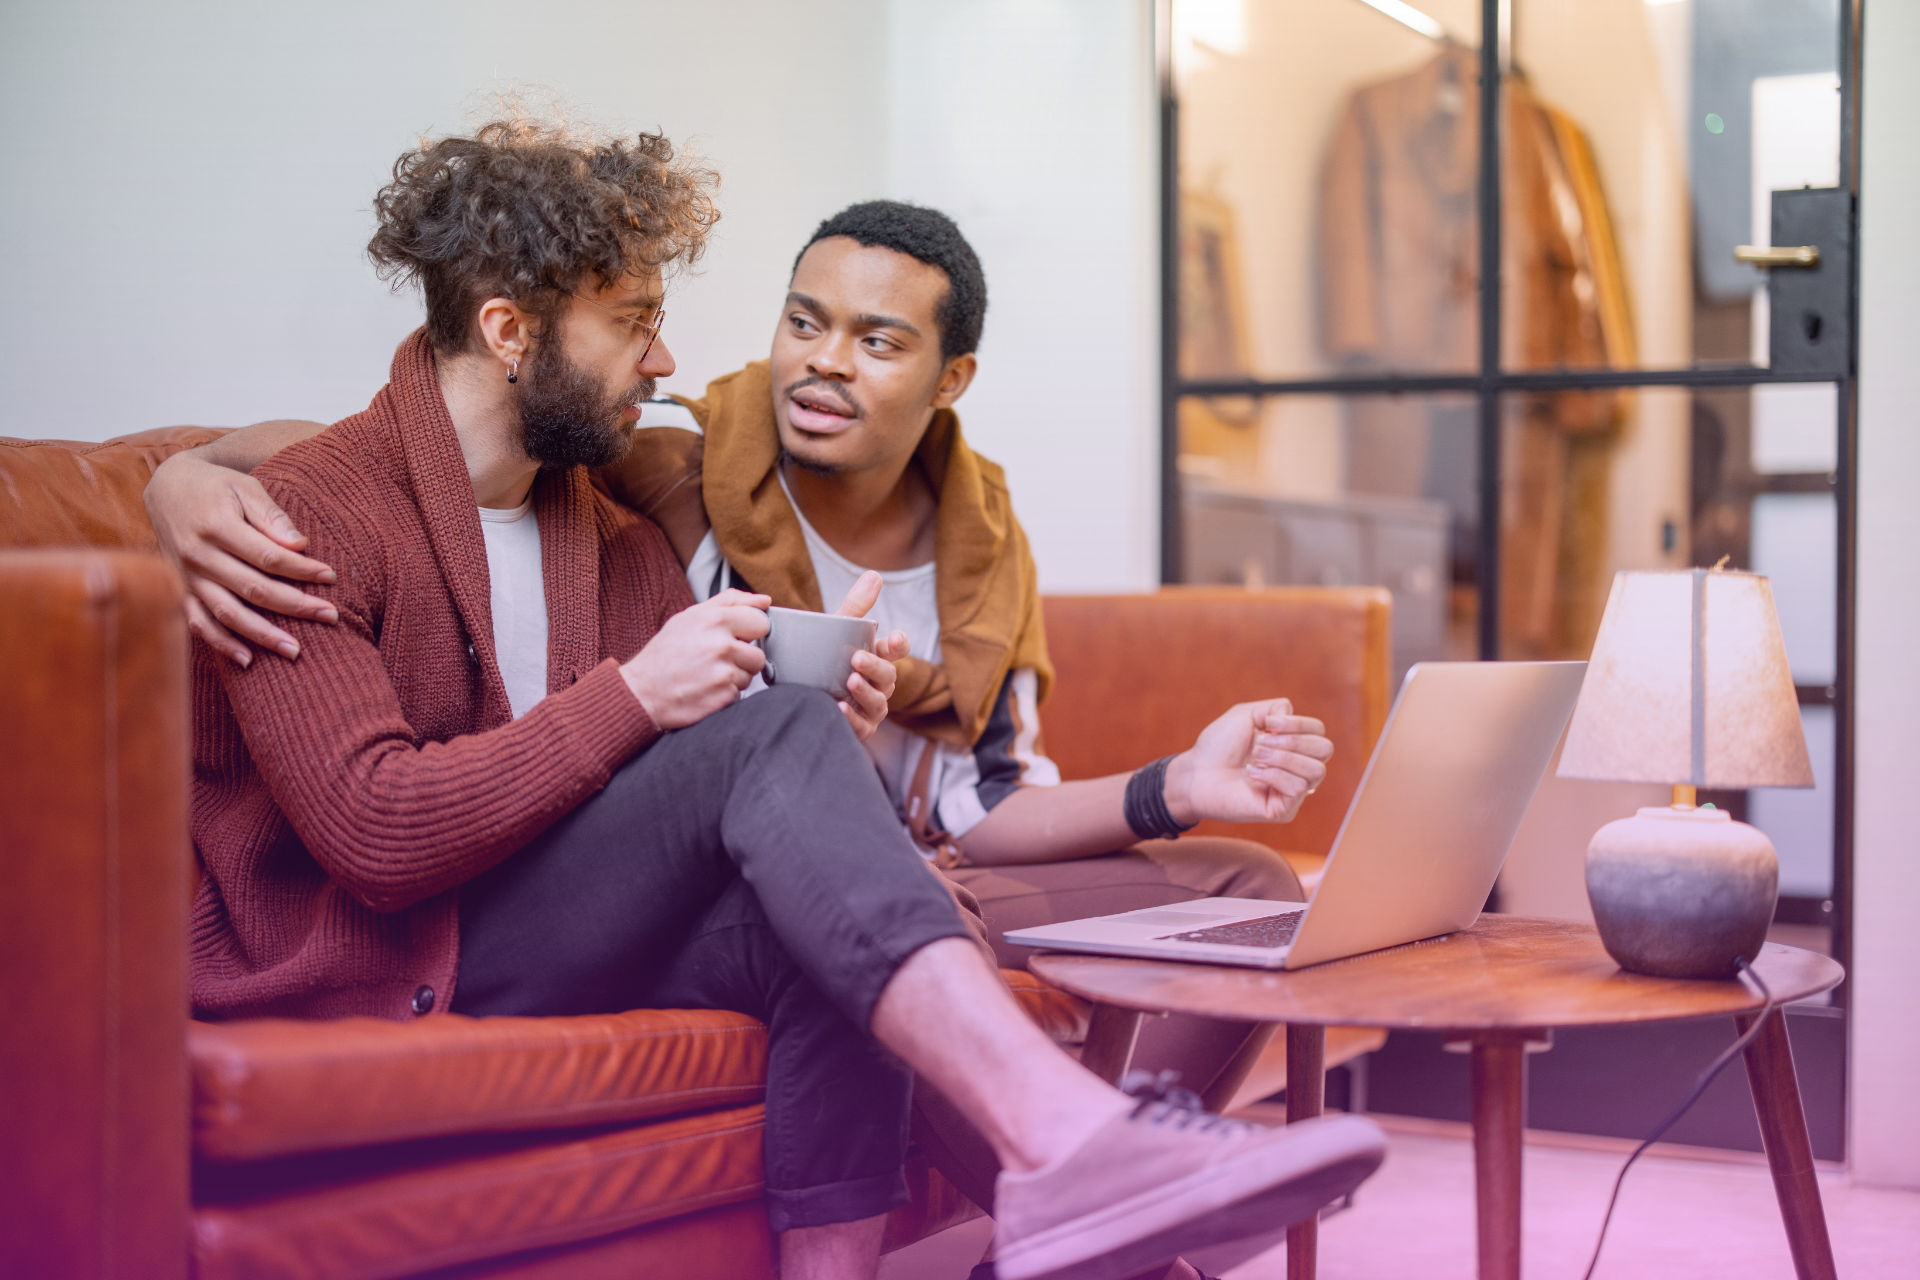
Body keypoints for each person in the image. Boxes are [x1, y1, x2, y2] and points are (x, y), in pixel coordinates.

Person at [172, 113, 1383, 1280]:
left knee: (821, 931)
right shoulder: (308, 516)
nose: (665, 360)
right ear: (509, 330)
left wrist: (823, 736)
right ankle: (1075, 1143)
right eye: (635, 322)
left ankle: (1041, 1190)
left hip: (546, 917)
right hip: (398, 945)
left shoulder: (608, 533)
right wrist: (638, 694)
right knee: (780, 754)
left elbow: (702, 791)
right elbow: (378, 834)